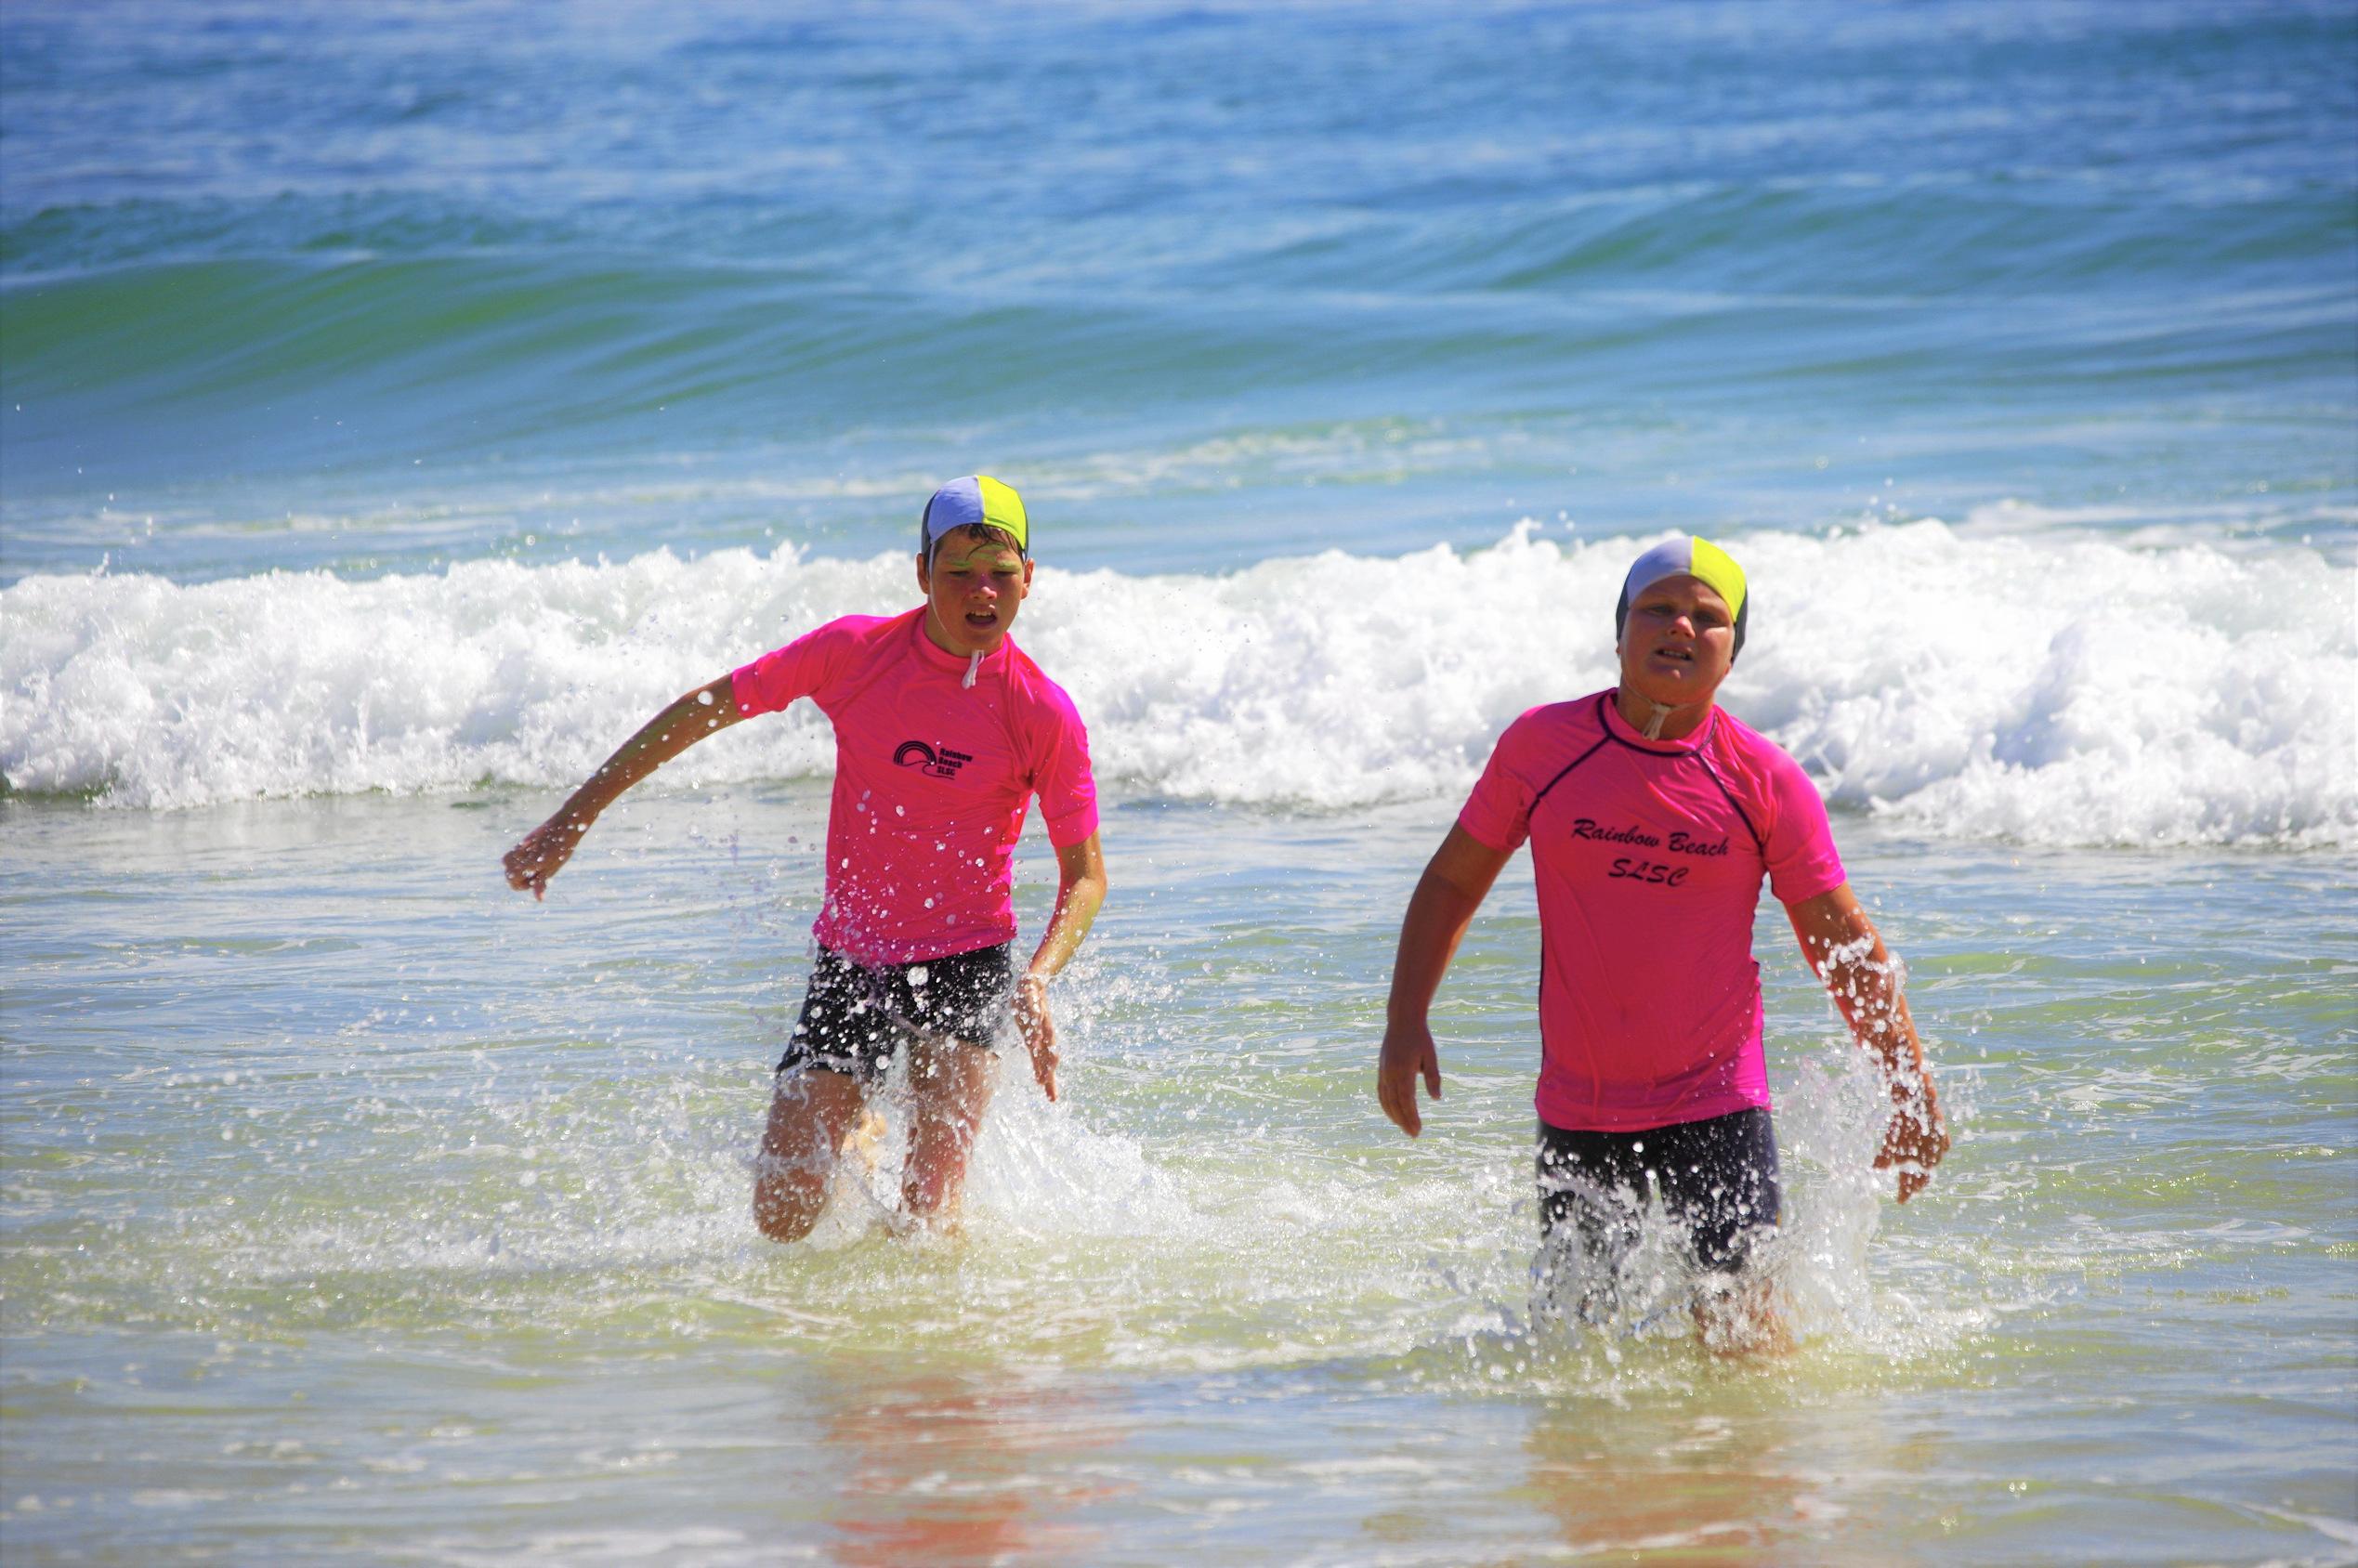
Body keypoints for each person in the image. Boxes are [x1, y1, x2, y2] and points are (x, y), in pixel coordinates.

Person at [1373, 535, 1945, 1348]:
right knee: (1574, 1344)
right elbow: (1453, 881)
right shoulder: (1543, 747)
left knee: (1744, 1340)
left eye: (1707, 616)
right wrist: (1406, 1020)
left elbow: (1841, 942)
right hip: (1579, 1106)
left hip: (1717, 1104)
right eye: (1657, 608)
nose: (1681, 624)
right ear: (1620, 633)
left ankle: (1743, 1471)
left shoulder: (1763, 779)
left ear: (1732, 653)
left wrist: (1907, 1083)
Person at [504, 476, 1107, 1241]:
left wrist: (1040, 980)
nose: (980, 590)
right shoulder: (856, 654)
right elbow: (706, 709)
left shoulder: (1041, 711)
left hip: (969, 959)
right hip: (853, 956)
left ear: (1030, 578)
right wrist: (573, 816)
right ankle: (861, 1129)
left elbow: (1085, 875)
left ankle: (932, 1359)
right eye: (957, 570)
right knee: (782, 1216)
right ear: (921, 573)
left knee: (928, 1222)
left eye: (1000, 570)